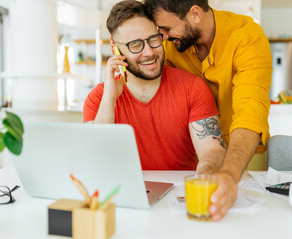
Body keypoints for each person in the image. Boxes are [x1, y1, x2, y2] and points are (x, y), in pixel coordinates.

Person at [143, 0, 272, 221]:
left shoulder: (247, 36)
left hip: (242, 156)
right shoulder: (171, 45)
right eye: (159, 30)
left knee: (245, 224)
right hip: (194, 157)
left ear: (194, 14)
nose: (163, 36)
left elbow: (250, 114)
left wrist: (230, 176)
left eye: (167, 28)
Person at [83, 0, 226, 174]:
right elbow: (94, 160)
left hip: (179, 194)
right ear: (116, 50)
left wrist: (204, 176)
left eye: (153, 39)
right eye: (135, 44)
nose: (149, 52)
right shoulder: (99, 98)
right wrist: (110, 99)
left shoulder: (193, 88)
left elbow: (213, 151)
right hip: (121, 195)